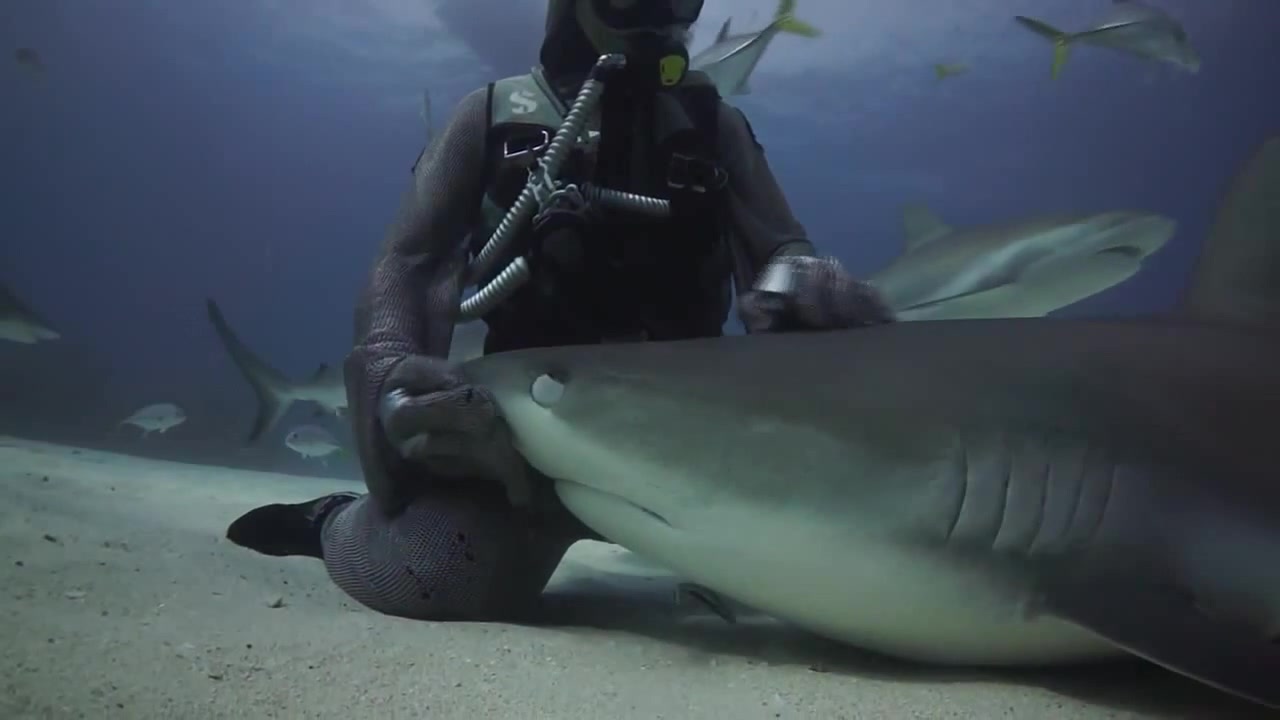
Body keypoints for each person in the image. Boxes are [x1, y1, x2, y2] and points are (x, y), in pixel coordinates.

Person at [226, 0, 894, 622]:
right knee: (432, 573)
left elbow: (779, 247)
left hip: (691, 447)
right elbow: (408, 264)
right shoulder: (490, 117)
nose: (657, 17)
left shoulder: (715, 126)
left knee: (859, 575)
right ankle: (335, 518)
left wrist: (804, 281)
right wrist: (389, 373)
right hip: (524, 450)